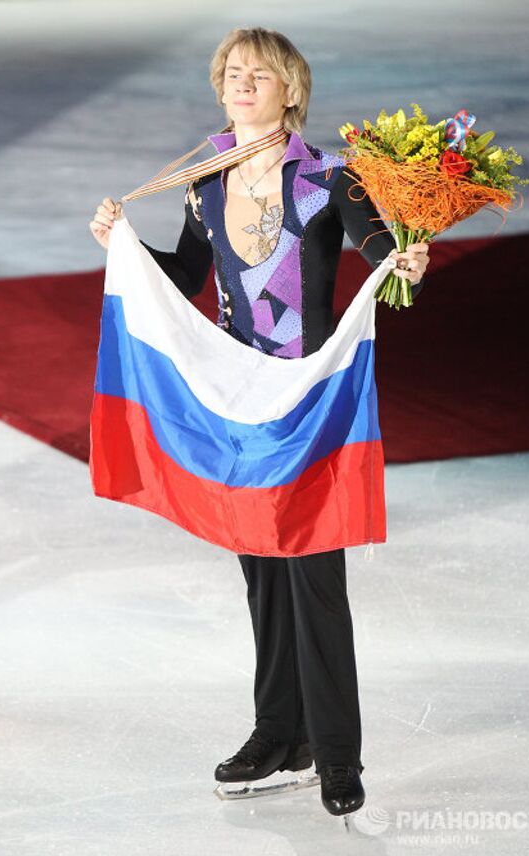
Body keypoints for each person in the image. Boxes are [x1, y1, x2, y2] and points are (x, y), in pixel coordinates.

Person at [89, 26, 429, 817]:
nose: (242, 83)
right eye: (232, 73)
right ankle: (280, 734)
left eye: (259, 74)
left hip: (309, 404)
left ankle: (337, 757)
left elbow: (379, 247)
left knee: (313, 580)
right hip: (237, 401)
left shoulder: (330, 181)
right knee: (261, 576)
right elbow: (186, 274)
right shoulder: (204, 183)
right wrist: (125, 248)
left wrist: (406, 258)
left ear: (291, 91)